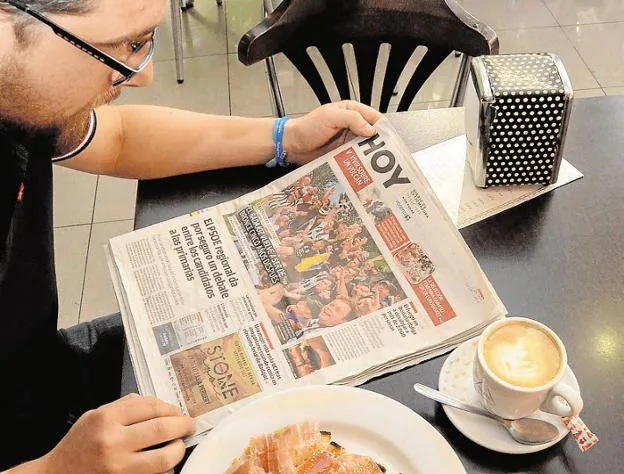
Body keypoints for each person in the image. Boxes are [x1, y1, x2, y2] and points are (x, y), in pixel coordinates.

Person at [0, 0, 382, 471]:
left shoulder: (19, 92)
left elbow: (116, 137)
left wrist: (286, 137)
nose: (142, 74)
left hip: (44, 379)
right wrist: (56, 469)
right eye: (128, 45)